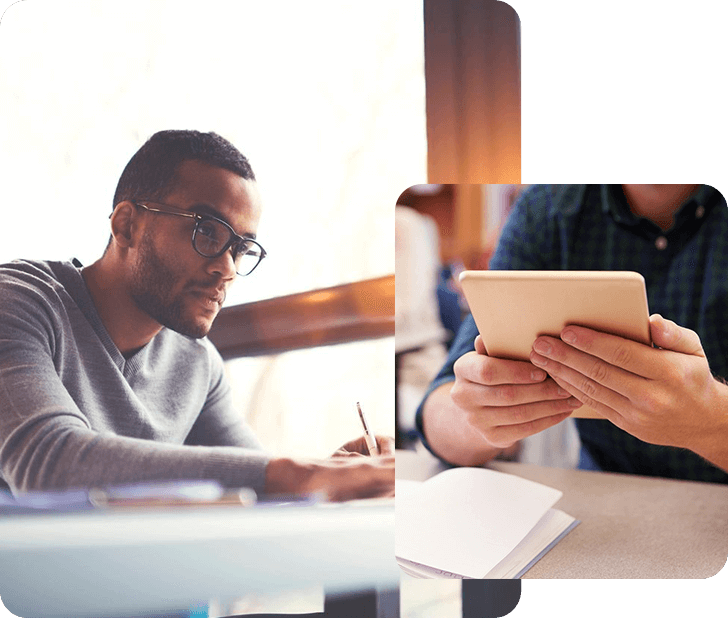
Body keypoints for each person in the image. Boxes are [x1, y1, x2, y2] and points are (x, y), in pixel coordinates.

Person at [0, 130, 394, 501]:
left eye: (241, 249)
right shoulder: (20, 303)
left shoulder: (197, 364)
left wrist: (335, 474)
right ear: (127, 225)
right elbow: (47, 462)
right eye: (207, 232)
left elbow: (256, 484)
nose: (226, 269)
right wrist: (296, 475)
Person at [417, 184, 728, 483]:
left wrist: (711, 421)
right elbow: (440, 409)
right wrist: (482, 415)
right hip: (601, 500)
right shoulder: (546, 208)